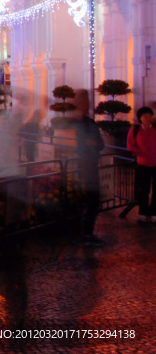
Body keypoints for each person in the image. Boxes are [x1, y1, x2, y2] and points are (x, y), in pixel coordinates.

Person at [71, 89, 104, 245]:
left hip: (91, 162)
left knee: (92, 199)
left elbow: (100, 143)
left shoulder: (89, 123)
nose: (87, 103)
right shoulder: (76, 123)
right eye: (83, 99)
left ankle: (86, 232)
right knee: (90, 198)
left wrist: (94, 143)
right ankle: (85, 233)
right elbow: (75, 143)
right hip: (83, 163)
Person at [127, 106, 156, 224]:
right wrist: (141, 153)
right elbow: (130, 145)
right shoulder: (135, 130)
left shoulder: (155, 129)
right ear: (140, 118)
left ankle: (154, 212)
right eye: (145, 116)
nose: (148, 118)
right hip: (143, 164)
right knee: (143, 189)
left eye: (150, 115)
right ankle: (143, 212)